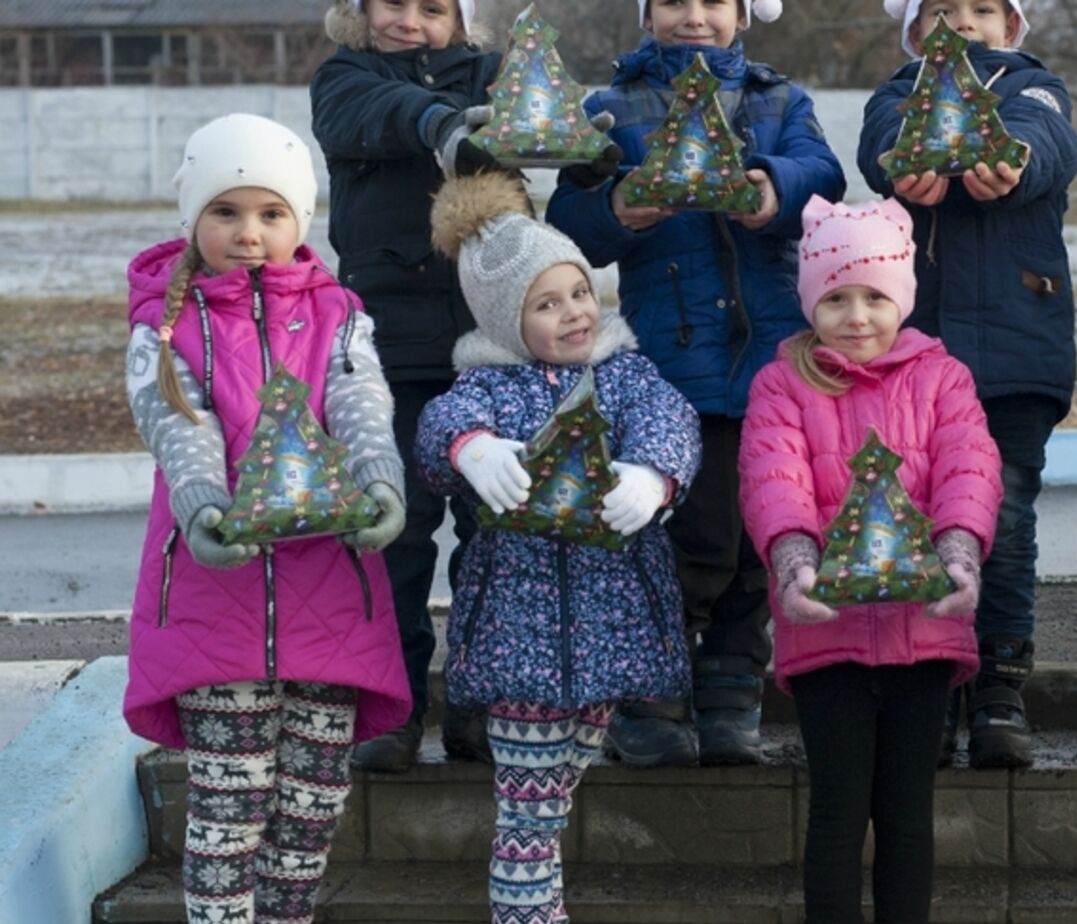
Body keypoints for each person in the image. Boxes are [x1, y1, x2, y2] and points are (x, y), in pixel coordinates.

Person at [122, 113, 412, 924]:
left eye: (271, 213)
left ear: (301, 220)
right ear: (193, 219)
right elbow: (176, 420)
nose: (249, 233)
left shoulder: (338, 314)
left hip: (332, 598)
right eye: (227, 212)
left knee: (312, 811)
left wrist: (378, 482)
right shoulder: (164, 322)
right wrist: (202, 502)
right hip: (217, 603)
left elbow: (360, 402)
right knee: (229, 812)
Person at [547, 0, 847, 768]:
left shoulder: (779, 101)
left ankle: (730, 699)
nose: (694, 17)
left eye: (713, 1)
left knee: (762, 540)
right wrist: (621, 208)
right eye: (673, 2)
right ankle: (649, 697)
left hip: (775, 367)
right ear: (648, 15)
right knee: (687, 540)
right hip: (673, 363)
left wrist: (770, 189)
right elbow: (570, 221)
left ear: (744, 12)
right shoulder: (609, 111)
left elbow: (824, 178)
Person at [416, 170, 702, 923]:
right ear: (509, 320)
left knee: (558, 790)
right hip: (521, 638)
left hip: (609, 634)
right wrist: (472, 450)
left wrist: (654, 475)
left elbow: (670, 420)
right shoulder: (490, 386)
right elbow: (438, 428)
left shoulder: (623, 370)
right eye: (547, 304)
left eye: (578, 291)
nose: (574, 313)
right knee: (529, 818)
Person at [739, 195, 1001, 922]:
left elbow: (968, 470)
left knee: (909, 817)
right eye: (837, 299)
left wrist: (957, 555)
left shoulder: (943, 378)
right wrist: (795, 567)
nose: (857, 317)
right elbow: (773, 479)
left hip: (927, 632)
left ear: (904, 299)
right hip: (828, 633)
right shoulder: (782, 381)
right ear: (811, 303)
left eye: (875, 298)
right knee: (837, 813)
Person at [859, 0, 1077, 769]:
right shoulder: (895, 96)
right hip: (916, 357)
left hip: (1020, 352)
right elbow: (881, 144)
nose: (964, 23)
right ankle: (932, 675)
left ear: (1013, 27)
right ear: (915, 31)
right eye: (943, 10)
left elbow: (1050, 142)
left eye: (983, 8)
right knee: (918, 513)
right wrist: (902, 164)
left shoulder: (1035, 90)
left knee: (1009, 518)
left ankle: (1000, 684)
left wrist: (1014, 158)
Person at [312, 0, 507, 770]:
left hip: (489, 347)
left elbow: (546, 135)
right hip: (388, 349)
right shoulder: (346, 77)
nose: (409, 20)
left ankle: (481, 704)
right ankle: (390, 707)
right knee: (394, 533)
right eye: (391, 2)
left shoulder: (496, 77)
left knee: (493, 539)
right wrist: (442, 125)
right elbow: (374, 112)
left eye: (433, 8)